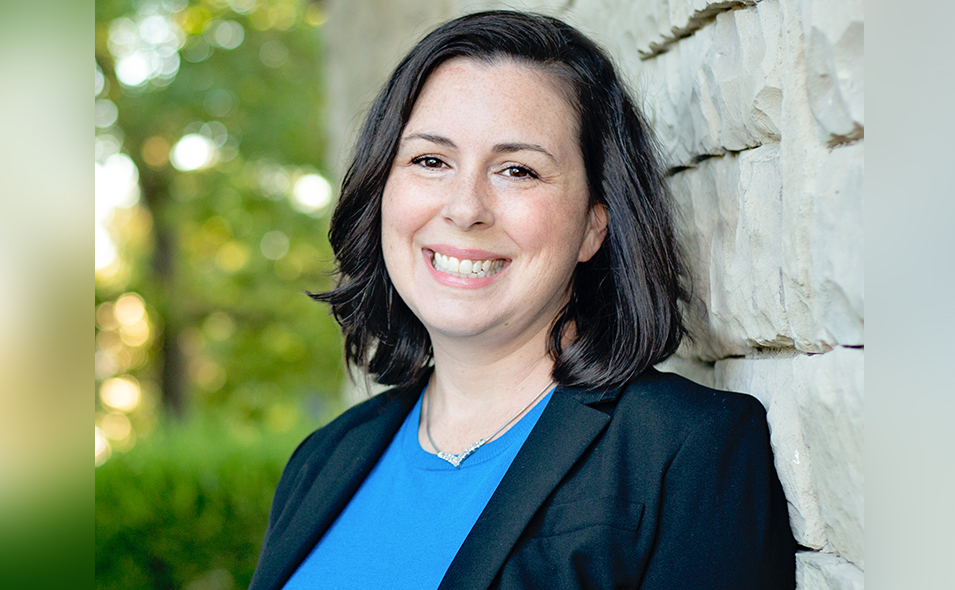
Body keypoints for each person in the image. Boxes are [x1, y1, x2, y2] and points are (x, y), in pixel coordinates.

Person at [249, 10, 797, 590]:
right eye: (430, 161)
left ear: (594, 224)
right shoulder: (322, 461)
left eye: (518, 170)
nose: (465, 208)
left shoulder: (684, 451)